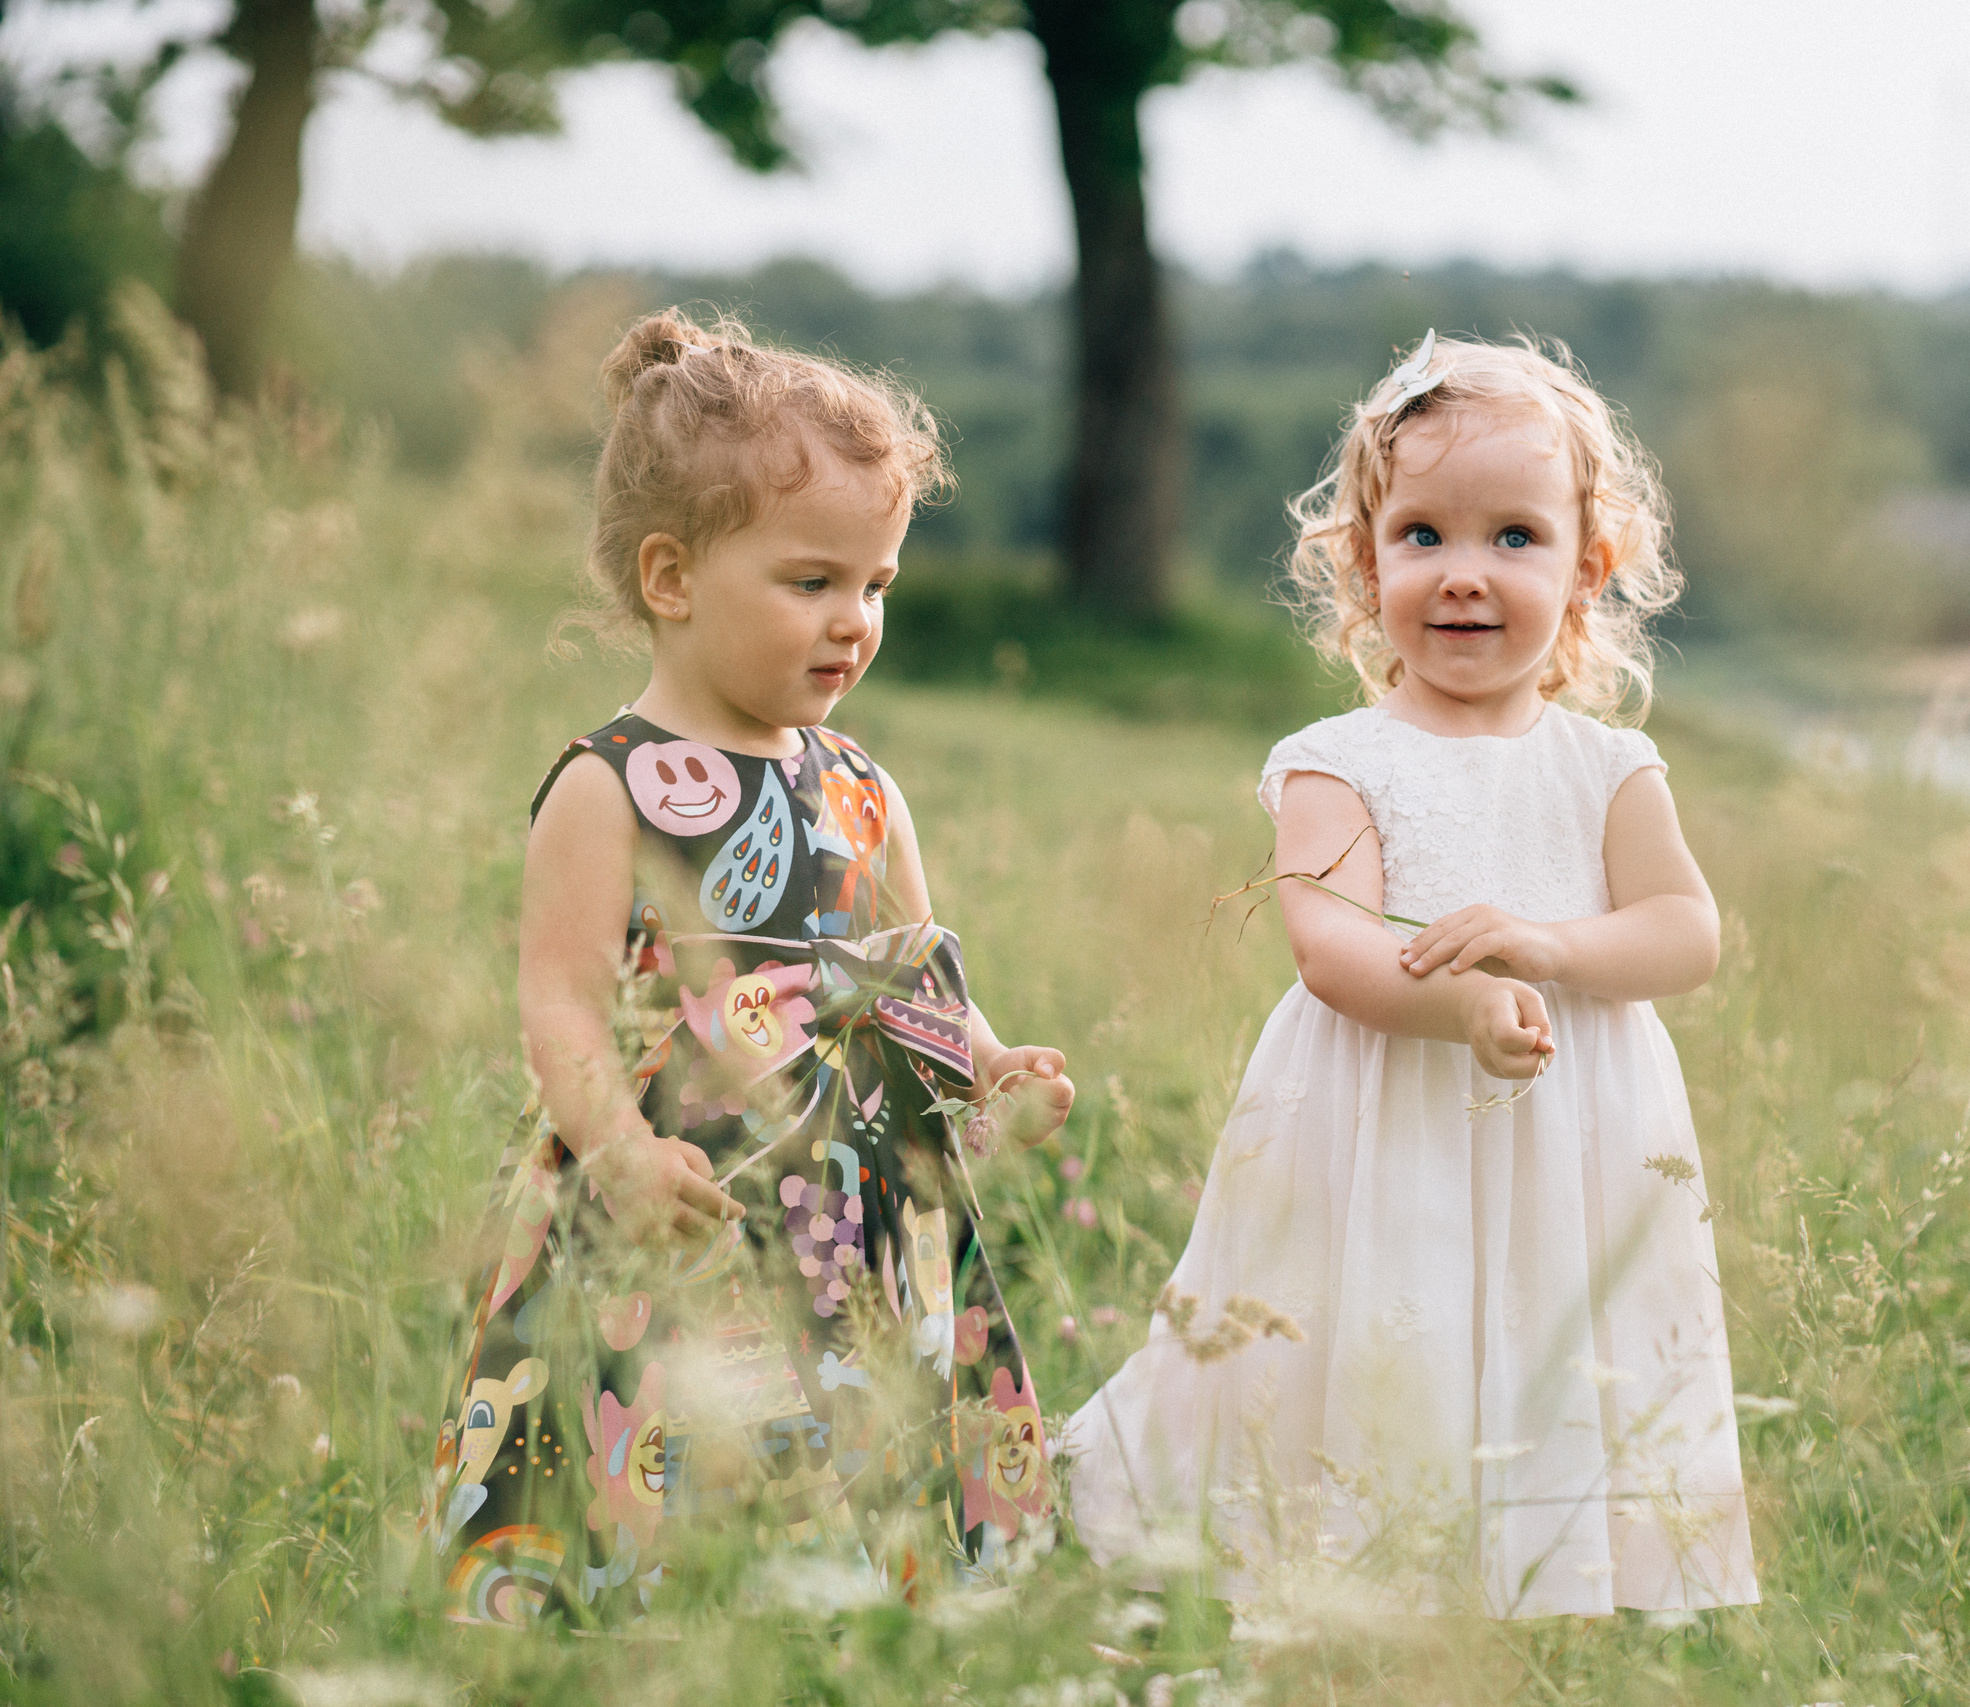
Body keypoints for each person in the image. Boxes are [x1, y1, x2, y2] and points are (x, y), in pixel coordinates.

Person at [1064, 332, 1757, 1618]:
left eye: (1513, 538)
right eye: (1422, 538)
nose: (1463, 577)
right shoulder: (1335, 757)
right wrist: (1457, 1002)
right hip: (1380, 1108)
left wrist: (1547, 950)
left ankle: (1548, 1571)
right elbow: (1330, 948)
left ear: (1586, 569)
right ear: (1363, 562)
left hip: (1573, 1117)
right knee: (1381, 1317)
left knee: (1551, 1326)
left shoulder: (1608, 767)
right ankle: (1342, 1567)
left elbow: (1683, 930)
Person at [423, 310, 1074, 1628]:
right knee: (657, 1424)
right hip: (679, 1186)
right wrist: (612, 1143)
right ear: (672, 575)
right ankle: (633, 1618)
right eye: (812, 581)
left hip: (848, 1199)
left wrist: (991, 1061)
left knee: (851, 1414)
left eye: (878, 583)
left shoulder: (861, 786)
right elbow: (560, 997)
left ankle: (841, 1610)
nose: (856, 620)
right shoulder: (608, 790)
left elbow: (913, 975)